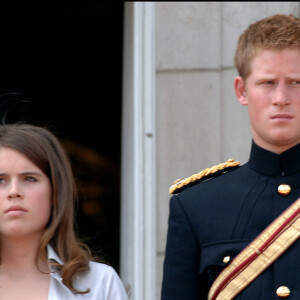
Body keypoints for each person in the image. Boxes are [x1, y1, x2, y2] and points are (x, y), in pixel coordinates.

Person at [161, 13, 300, 300]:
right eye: (268, 83)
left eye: (296, 82)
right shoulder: (195, 205)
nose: (281, 97)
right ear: (241, 90)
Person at [0, 123, 129, 300]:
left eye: (29, 178)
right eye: (0, 180)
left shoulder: (99, 284)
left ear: (56, 192)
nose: (14, 191)